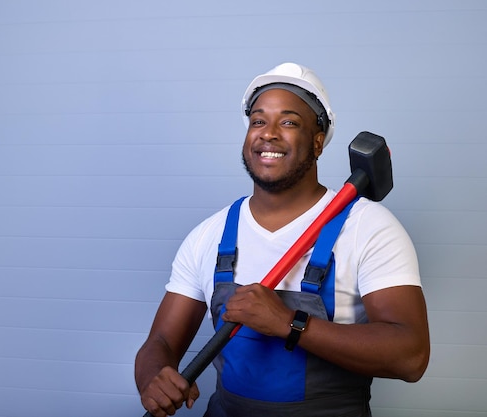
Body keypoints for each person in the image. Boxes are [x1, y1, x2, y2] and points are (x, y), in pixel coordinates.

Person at [134, 62, 430, 417]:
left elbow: (410, 356)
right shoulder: (209, 235)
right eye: (258, 121)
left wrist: (289, 324)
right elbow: (161, 342)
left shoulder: (368, 228)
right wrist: (153, 376)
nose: (268, 133)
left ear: (318, 142)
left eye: (288, 122)